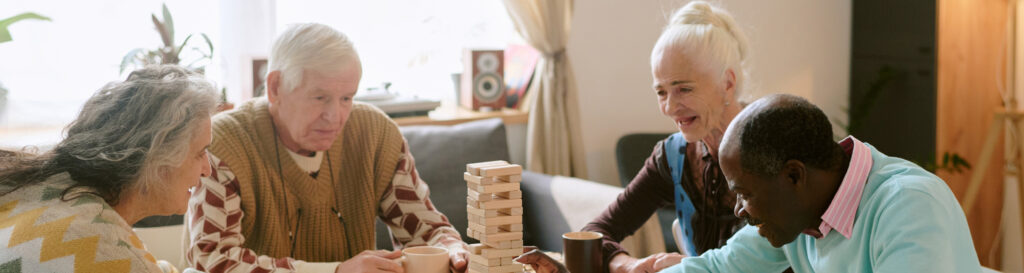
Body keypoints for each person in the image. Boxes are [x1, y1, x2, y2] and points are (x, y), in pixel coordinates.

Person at [184, 23, 468, 273]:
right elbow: (213, 260)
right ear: (275, 87)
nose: (335, 117)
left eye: (347, 98)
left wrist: (451, 247)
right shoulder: (222, 142)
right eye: (320, 98)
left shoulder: (376, 134)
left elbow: (425, 229)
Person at [518, 2, 751, 273]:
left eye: (684, 89)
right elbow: (596, 232)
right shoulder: (673, 157)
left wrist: (693, 267)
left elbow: (776, 251)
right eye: (661, 92)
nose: (670, 108)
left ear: (728, 83)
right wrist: (628, 265)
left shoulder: (771, 145)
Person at [659, 93, 982, 272]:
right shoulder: (799, 213)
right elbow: (720, 268)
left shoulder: (910, 206)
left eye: (745, 194)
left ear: (793, 176)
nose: (740, 210)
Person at [0, 65, 218, 273]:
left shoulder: (44, 185)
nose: (207, 170)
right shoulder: (106, 250)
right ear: (158, 159)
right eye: (200, 153)